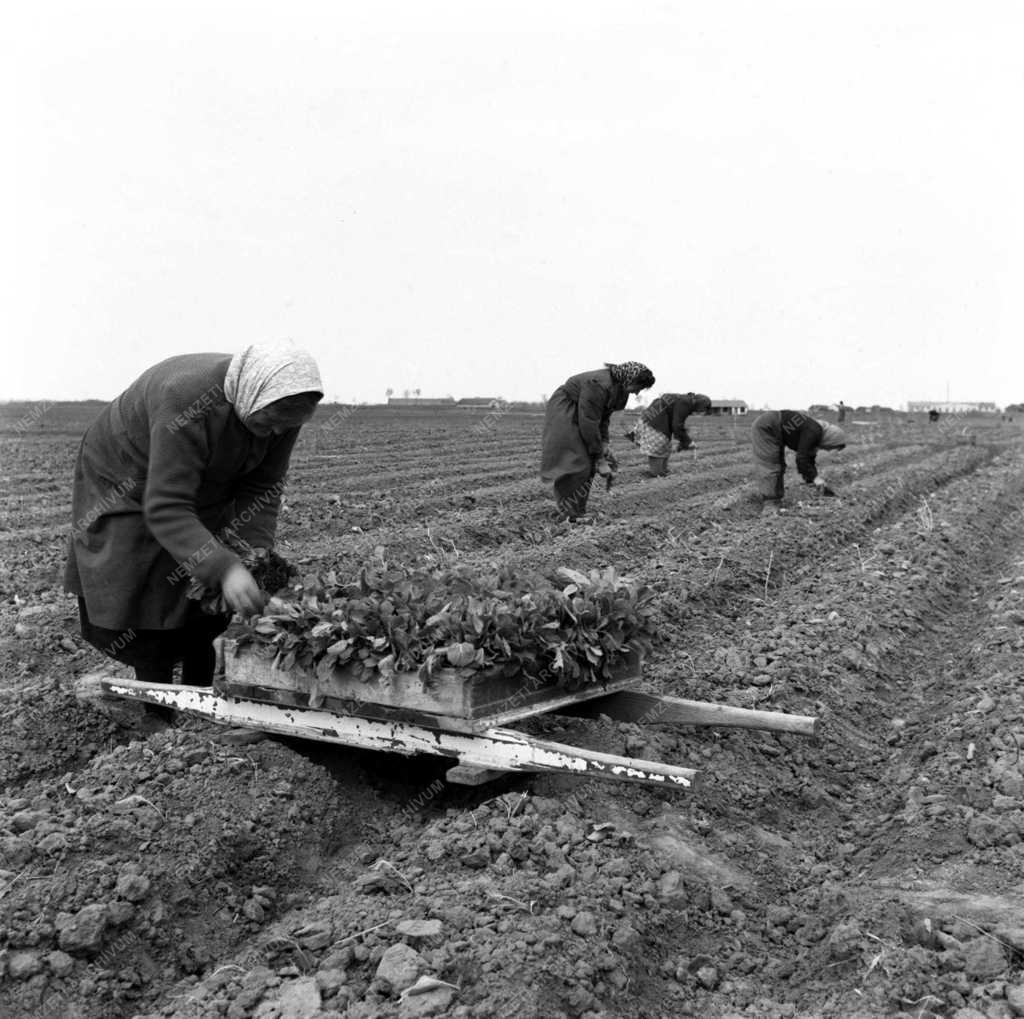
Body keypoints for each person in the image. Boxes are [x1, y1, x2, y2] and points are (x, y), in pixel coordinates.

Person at [65, 341, 323, 688]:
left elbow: (261, 488)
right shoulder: (185, 399)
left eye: (284, 427)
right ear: (253, 394)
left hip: (205, 482)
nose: (276, 433)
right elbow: (168, 507)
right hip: (128, 478)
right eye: (271, 423)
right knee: (149, 582)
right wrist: (227, 568)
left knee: (205, 590)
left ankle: (201, 692)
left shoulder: (281, 407)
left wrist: (254, 558)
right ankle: (158, 705)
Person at [540, 361, 656, 521]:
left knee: (588, 464)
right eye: (638, 387)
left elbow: (604, 417)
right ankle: (568, 513)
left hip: (586, 414)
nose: (637, 392)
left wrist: (605, 443)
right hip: (566, 410)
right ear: (629, 380)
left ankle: (577, 511)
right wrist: (600, 459)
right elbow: (589, 422)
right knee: (576, 461)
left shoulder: (620, 389)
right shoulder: (598, 384)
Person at [751, 409, 846, 513]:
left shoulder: (815, 432)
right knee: (770, 464)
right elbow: (801, 458)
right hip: (767, 427)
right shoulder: (814, 431)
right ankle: (770, 505)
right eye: (830, 447)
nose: (827, 449)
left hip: (776, 430)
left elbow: (808, 458)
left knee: (779, 465)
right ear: (831, 439)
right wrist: (815, 478)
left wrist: (812, 480)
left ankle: (776, 499)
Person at [625, 392, 711, 476]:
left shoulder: (686, 401)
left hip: (655, 419)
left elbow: (677, 423)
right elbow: (677, 425)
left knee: (665, 445)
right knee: (659, 445)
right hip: (654, 422)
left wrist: (684, 441)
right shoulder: (685, 403)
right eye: (703, 410)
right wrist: (688, 442)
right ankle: (656, 472)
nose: (701, 413)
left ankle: (662, 470)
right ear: (701, 405)